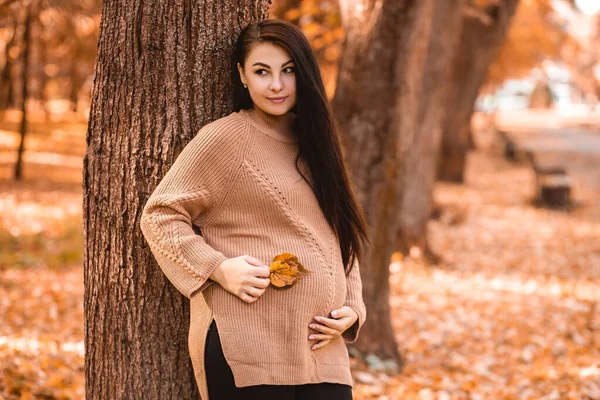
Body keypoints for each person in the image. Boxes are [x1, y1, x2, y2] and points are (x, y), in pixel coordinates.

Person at [139, 19, 368, 400]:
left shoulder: (318, 143)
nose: (276, 84)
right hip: (249, 344)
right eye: (262, 72)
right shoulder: (226, 138)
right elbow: (160, 215)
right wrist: (218, 268)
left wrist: (353, 306)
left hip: (321, 350)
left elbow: (340, 231)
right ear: (242, 76)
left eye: (288, 71)